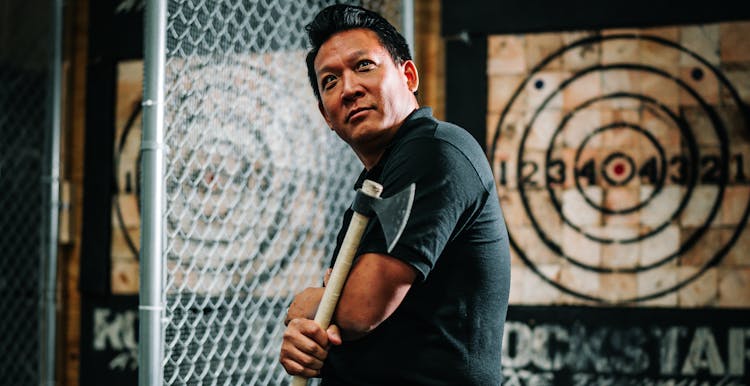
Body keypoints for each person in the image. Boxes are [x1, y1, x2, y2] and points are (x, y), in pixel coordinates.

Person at [279, 4, 511, 385]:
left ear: (408, 75)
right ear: (325, 114)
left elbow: (359, 309)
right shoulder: (381, 178)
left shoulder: (434, 151)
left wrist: (305, 304)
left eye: (364, 66)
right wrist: (306, 338)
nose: (349, 88)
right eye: (330, 82)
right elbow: (345, 310)